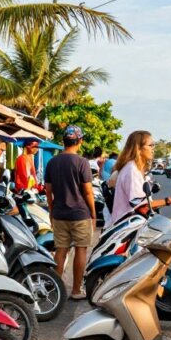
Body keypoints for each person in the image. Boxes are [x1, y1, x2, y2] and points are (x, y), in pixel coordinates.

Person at [44, 126, 97, 300]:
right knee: (81, 250)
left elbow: (48, 191)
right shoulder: (82, 162)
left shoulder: (52, 162)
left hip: (59, 213)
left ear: (63, 141)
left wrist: (52, 212)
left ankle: (57, 290)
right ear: (80, 141)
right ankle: (75, 290)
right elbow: (88, 192)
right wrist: (93, 214)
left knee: (61, 250)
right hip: (80, 214)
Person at [110, 131, 171, 224]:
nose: (153, 149)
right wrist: (167, 201)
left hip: (133, 223)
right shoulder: (131, 170)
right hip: (129, 226)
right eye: (150, 145)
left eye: (154, 145)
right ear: (138, 148)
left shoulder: (134, 168)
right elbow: (140, 206)